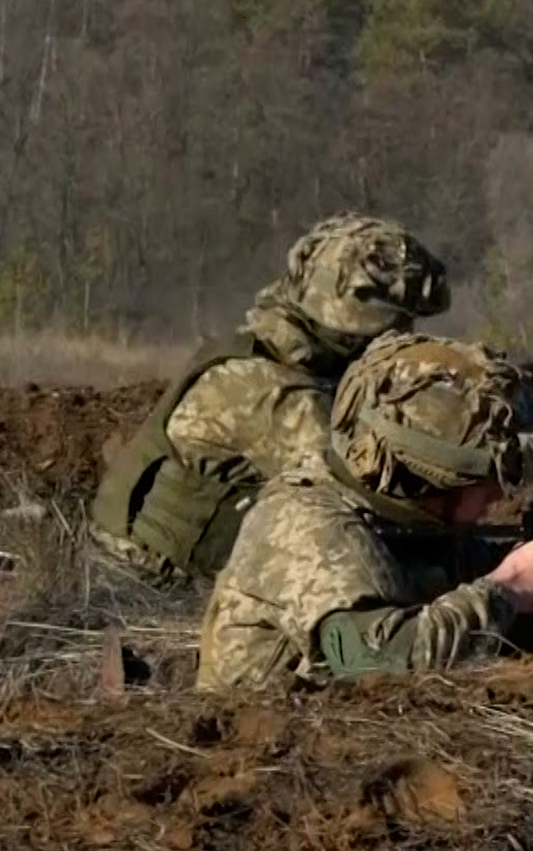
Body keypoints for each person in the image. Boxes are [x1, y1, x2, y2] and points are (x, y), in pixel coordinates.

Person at [196, 332, 533, 692]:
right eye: (485, 482)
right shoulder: (308, 528)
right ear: (429, 477)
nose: (496, 497)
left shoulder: (414, 523)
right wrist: (507, 591)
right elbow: (373, 663)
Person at [89, 213, 455, 582]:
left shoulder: (271, 351)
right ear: (353, 321)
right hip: (148, 579)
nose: (403, 336)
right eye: (398, 324)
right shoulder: (271, 391)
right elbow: (368, 501)